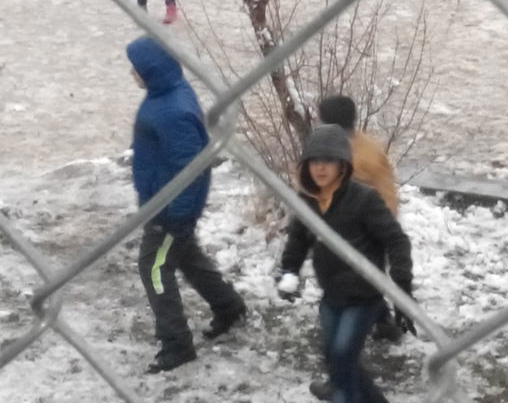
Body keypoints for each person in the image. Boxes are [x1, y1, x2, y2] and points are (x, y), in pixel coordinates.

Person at [127, 36, 247, 373]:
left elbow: (190, 168)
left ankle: (177, 343)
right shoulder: (166, 93)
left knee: (153, 267)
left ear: (150, 71)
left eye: (135, 69)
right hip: (163, 203)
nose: (131, 74)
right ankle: (229, 306)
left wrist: (177, 216)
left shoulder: (171, 111)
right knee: (187, 257)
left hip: (169, 211)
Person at [279, 124, 414, 403]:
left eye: (329, 160)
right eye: (315, 160)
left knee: (342, 354)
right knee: (335, 355)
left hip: (363, 295)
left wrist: (402, 290)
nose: (321, 168)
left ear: (343, 165)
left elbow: (396, 240)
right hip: (332, 294)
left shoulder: (364, 199)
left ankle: (343, 395)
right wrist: (289, 271)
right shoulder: (310, 200)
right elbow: (298, 239)